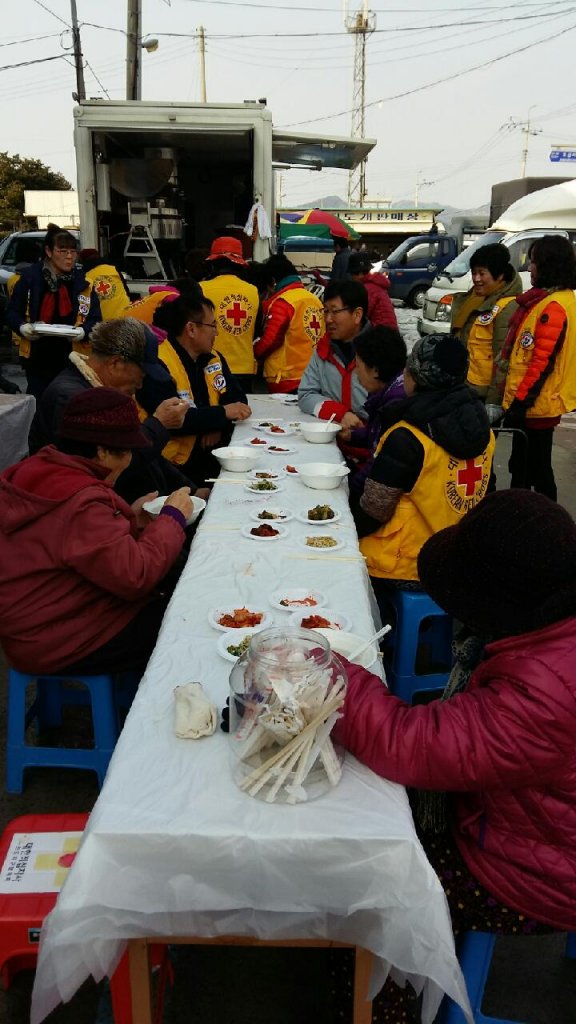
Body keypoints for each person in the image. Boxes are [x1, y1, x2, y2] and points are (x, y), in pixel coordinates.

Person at [333, 489, 576, 1020]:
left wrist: (331, 672)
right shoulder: (554, 630)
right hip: (546, 821)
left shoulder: (544, 690)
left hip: (544, 869)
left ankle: (381, 1008)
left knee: (378, 887)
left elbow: (408, 746)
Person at [0, 388, 192, 676]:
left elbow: (73, 544)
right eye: (126, 452)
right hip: (62, 638)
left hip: (33, 624)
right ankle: (164, 712)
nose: (128, 462)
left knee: (178, 587)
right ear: (102, 451)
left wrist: (133, 520)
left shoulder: (41, 469)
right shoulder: (80, 501)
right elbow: (135, 575)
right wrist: (172, 517)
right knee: (186, 618)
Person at [352, 333, 493, 600]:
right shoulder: (484, 430)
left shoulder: (407, 436)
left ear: (413, 376)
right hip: (458, 556)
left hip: (406, 565)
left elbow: (374, 510)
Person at [28, 317, 207, 507]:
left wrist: (192, 490)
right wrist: (159, 424)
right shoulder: (71, 399)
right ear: (115, 364)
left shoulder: (106, 393)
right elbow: (114, 466)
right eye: (141, 376)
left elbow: (147, 456)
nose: (139, 385)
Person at [501, 234, 576, 501]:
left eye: (533, 262)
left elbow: (541, 361)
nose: (530, 268)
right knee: (523, 467)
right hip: (537, 402)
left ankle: (543, 525)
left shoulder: (553, 306)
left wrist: (520, 404)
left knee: (534, 471)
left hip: (536, 405)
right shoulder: (556, 300)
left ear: (549, 265)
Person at [146, 293, 251, 482]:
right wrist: (221, 414)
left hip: (212, 455)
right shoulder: (160, 364)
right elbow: (176, 420)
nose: (216, 333)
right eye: (212, 326)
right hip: (173, 466)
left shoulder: (214, 358)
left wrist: (217, 423)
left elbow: (238, 401)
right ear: (191, 329)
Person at [5, 223, 101, 398]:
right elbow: (11, 313)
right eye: (62, 251)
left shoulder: (83, 281)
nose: (69, 257)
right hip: (38, 357)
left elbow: (96, 319)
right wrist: (23, 328)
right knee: (41, 405)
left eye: (73, 252)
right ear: (49, 252)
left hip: (73, 357)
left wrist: (83, 331)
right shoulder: (30, 278)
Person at [450, 242, 522, 423]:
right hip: (465, 388)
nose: (476, 279)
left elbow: (503, 359)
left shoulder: (507, 307)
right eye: (474, 273)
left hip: (483, 395)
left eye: (482, 273)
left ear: (500, 276)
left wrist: (494, 402)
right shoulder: (475, 299)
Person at [338, 326, 407, 499]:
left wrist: (346, 494)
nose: (356, 372)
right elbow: (376, 433)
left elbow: (377, 465)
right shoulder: (390, 390)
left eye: (358, 365)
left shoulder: (395, 406)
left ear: (375, 371)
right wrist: (352, 436)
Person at [297, 280, 370, 426]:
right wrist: (340, 414)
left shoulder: (381, 350)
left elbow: (392, 404)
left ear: (357, 315)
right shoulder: (323, 350)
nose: (328, 319)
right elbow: (306, 395)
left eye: (335, 311)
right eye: (325, 311)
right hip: (329, 438)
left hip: (372, 442)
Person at [253, 254, 324, 394]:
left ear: (273, 281)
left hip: (286, 379)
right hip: (314, 376)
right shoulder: (313, 299)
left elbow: (270, 340)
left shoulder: (283, 302)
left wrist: (253, 351)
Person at [200, 236, 259, 391]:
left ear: (212, 265)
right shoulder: (253, 291)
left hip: (213, 367)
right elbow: (257, 330)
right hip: (245, 369)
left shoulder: (201, 289)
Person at [347, 251, 398, 329]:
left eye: (352, 274)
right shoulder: (372, 285)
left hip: (383, 334)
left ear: (360, 273)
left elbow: (361, 316)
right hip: (386, 331)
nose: (352, 278)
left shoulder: (368, 289)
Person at [79, 248, 132, 319]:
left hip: (103, 323)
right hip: (125, 316)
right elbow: (127, 291)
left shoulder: (85, 276)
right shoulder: (113, 269)